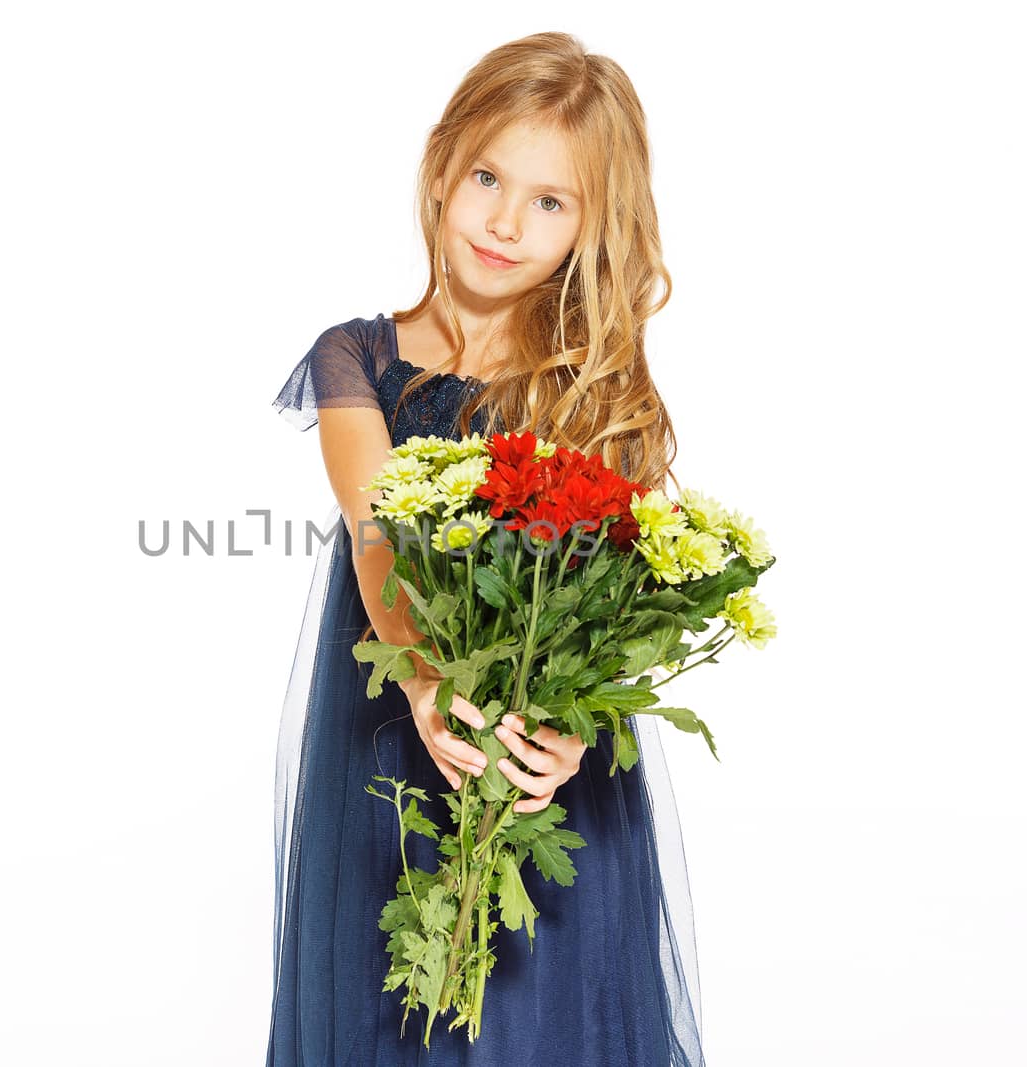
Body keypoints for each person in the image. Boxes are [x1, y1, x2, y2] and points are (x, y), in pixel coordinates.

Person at [266, 32, 706, 1066]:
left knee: (541, 1023)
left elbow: (614, 610)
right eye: (487, 177)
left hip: (543, 777)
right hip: (393, 749)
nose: (506, 222)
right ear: (439, 167)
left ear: (593, 225)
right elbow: (377, 535)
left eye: (550, 201)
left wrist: (570, 739)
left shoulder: (596, 391)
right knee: (394, 1010)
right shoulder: (358, 359)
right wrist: (423, 680)